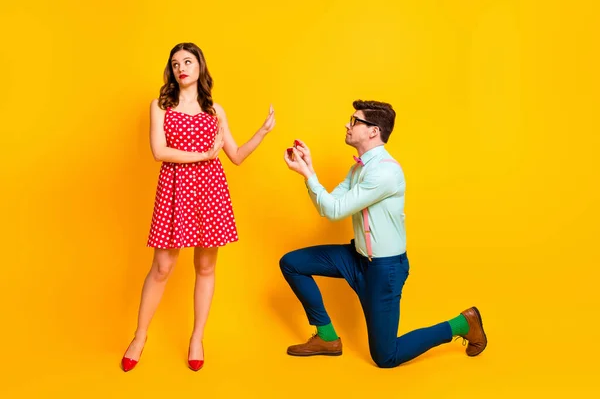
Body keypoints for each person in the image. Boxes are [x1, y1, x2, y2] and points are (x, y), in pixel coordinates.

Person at [281, 100, 486, 367]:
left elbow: (333, 211)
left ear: (373, 131)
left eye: (354, 121)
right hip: (356, 258)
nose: (347, 124)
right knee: (292, 263)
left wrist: (308, 175)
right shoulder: (358, 168)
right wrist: (309, 171)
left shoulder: (385, 172)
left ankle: (462, 324)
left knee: (386, 357)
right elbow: (328, 205)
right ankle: (327, 337)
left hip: (384, 269)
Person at [122, 42, 276, 372]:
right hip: (175, 190)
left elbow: (234, 156)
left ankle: (197, 337)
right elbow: (160, 152)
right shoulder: (160, 106)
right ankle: (139, 336)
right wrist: (204, 156)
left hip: (210, 192)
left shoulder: (215, 111)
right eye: (176, 63)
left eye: (188, 61)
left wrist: (262, 132)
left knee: (205, 267)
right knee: (162, 267)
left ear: (200, 66)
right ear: (171, 71)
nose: (182, 67)